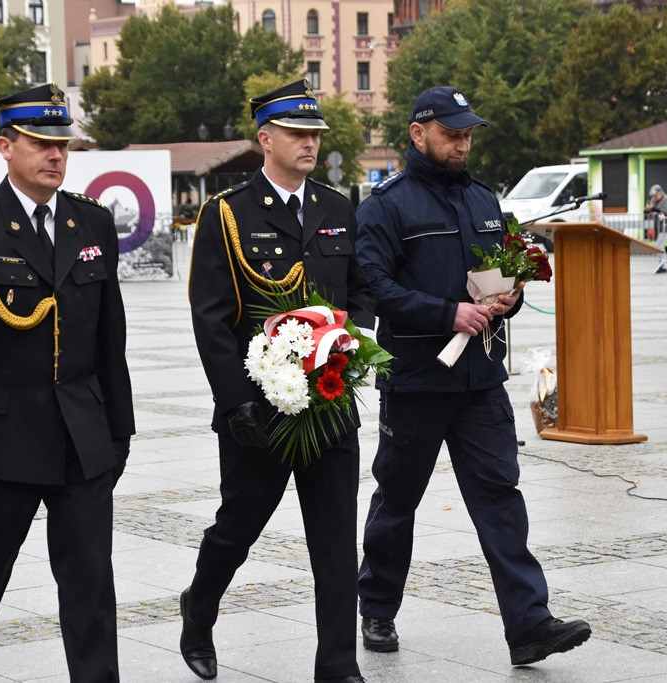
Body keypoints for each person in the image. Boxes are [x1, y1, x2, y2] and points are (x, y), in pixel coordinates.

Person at [353, 86, 591, 667]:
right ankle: (377, 605)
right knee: (399, 499)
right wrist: (445, 312)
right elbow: (374, 286)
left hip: (480, 381)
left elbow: (502, 267)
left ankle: (530, 624)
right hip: (416, 380)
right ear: (419, 133)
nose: (463, 143)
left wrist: (508, 295)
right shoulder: (386, 205)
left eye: (467, 134)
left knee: (500, 496)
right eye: (452, 133)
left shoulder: (486, 200)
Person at [0, 84, 135, 682]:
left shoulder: (89, 220)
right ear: (5, 147)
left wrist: (120, 430)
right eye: (40, 143)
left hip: (82, 439)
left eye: (61, 144)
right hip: (2, 444)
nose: (54, 155)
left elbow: (108, 339)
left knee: (91, 585)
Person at [184, 80, 375, 683]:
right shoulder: (228, 212)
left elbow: (361, 289)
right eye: (297, 134)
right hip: (258, 409)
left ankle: (337, 666)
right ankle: (199, 607)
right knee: (238, 526)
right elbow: (211, 316)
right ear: (265, 138)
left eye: (315, 134)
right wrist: (234, 400)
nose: (309, 143)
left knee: (335, 538)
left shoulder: (339, 208)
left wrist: (349, 342)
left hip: (329, 400)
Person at [645, 184, 667, 273]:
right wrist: (647, 209)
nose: (654, 198)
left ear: (660, 193)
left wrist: (653, 208)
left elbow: (665, 211)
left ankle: (663, 265)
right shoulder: (654, 199)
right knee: (660, 245)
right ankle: (662, 264)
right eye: (653, 196)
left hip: (666, 225)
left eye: (655, 195)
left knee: (659, 245)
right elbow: (650, 209)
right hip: (658, 226)